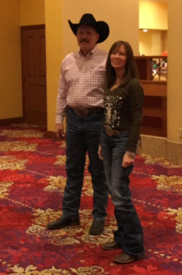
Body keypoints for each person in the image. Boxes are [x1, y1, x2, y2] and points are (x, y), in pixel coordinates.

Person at [47, 13, 110, 235]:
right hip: (73, 121)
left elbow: (111, 95)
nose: (84, 36)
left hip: (96, 121)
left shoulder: (106, 59)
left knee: (98, 170)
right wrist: (58, 119)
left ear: (97, 36)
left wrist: (109, 126)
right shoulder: (67, 60)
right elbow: (61, 92)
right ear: (77, 35)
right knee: (73, 169)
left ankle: (99, 216)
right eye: (80, 32)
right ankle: (70, 214)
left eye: (88, 33)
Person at [99, 40, 145, 263]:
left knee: (120, 194)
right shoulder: (111, 83)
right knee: (113, 191)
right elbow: (106, 116)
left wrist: (130, 151)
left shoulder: (132, 85)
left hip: (122, 142)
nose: (116, 56)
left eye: (122, 54)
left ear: (128, 59)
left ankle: (134, 246)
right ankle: (121, 236)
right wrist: (101, 142)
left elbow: (137, 120)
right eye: (114, 53)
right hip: (107, 142)